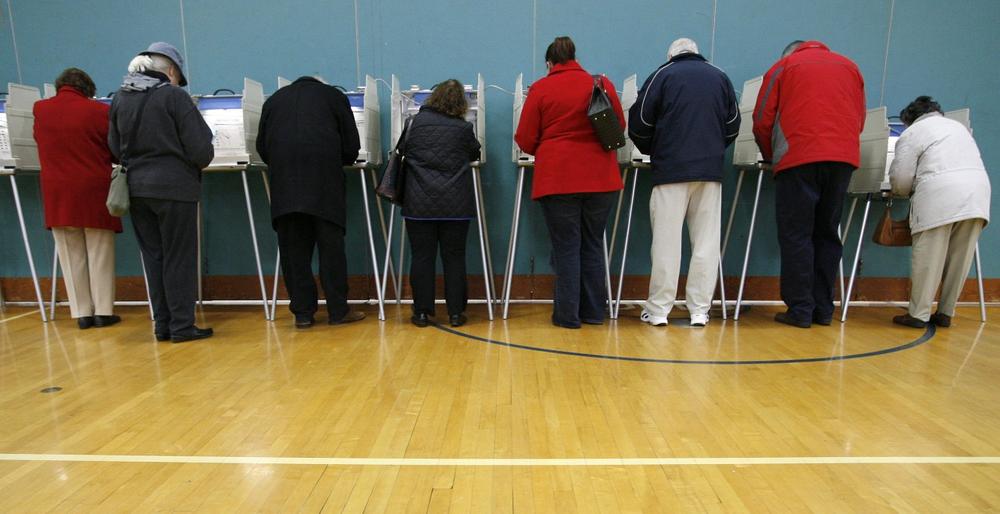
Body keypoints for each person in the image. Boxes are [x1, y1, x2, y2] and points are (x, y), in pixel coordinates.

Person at [752, 40, 865, 328]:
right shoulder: (851, 67)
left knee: (796, 233)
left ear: (788, 52)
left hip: (797, 157)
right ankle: (824, 309)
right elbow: (860, 117)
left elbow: (762, 118)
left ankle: (800, 310)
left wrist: (770, 157)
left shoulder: (783, 66)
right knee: (827, 233)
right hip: (843, 159)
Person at [514, 36, 625, 329]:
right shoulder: (600, 83)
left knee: (566, 247)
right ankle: (593, 313)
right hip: (601, 178)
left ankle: (567, 316)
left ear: (550, 63)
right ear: (575, 57)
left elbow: (525, 138)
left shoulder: (541, 88)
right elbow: (619, 127)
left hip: (559, 179)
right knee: (591, 245)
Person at [628, 37, 740, 327]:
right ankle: (700, 311)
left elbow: (639, 122)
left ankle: (659, 311)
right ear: (696, 53)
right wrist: (713, 150)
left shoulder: (662, 75)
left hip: (671, 172)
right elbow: (732, 126)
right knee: (705, 243)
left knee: (666, 242)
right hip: (710, 173)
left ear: (671, 55)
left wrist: (656, 149)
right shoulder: (720, 77)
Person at [108, 42, 215, 342]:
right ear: (170, 71)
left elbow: (115, 147)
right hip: (175, 188)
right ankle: (182, 326)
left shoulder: (120, 98)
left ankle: (163, 325)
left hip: (137, 189)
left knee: (154, 257)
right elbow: (200, 150)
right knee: (178, 257)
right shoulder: (174, 97)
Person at [256, 76, 364, 329]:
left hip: (285, 187)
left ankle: (303, 314)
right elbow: (351, 147)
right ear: (321, 83)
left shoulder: (273, 101)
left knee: (294, 254)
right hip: (324, 186)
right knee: (331, 251)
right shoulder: (334, 97)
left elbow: (262, 147)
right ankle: (338, 310)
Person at [889, 96, 991, 328]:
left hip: (940, 195)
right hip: (977, 195)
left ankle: (918, 314)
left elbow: (901, 180)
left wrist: (901, 192)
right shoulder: (960, 128)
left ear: (910, 119)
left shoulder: (913, 133)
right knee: (960, 258)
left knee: (929, 257)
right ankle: (946, 312)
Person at [33, 68, 122, 330]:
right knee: (99, 252)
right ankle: (104, 311)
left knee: (70, 254)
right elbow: (113, 150)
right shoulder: (98, 111)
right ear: (88, 89)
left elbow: (39, 141)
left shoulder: (41, 109)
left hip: (57, 191)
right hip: (94, 189)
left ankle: (82, 313)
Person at [401, 79, 481, 328]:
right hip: (455, 205)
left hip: (418, 204)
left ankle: (422, 313)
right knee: (454, 258)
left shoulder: (413, 124)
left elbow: (401, 150)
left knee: (422, 257)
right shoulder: (463, 128)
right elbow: (474, 153)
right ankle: (456, 313)